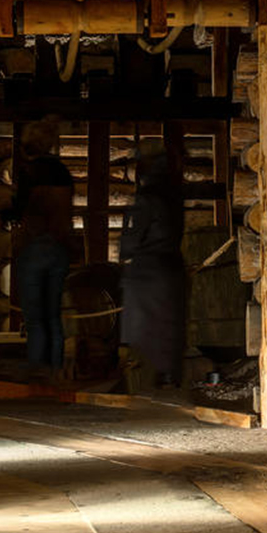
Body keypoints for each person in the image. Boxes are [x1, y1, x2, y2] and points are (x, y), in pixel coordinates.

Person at [5, 120, 76, 376]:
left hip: (35, 245)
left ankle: (37, 371)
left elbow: (19, 210)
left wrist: (8, 212)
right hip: (59, 247)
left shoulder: (31, 173)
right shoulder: (63, 172)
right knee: (53, 315)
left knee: (35, 318)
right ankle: (55, 369)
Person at [120, 138, 188, 388]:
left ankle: (145, 374)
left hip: (149, 269)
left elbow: (135, 236)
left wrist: (125, 253)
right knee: (168, 323)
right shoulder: (174, 195)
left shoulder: (147, 197)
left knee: (144, 323)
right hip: (171, 264)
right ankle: (168, 374)